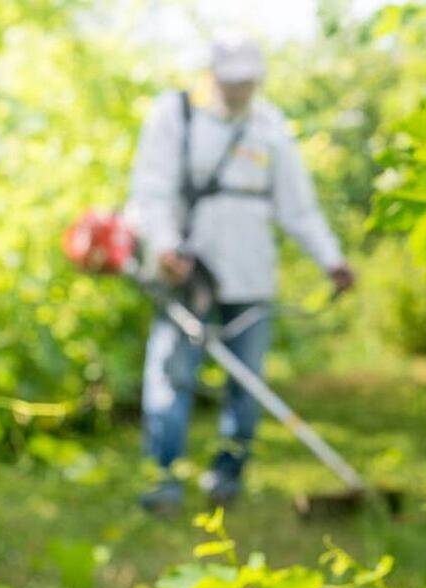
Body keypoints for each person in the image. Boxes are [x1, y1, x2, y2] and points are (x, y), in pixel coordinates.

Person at [126, 35, 354, 512]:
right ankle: (162, 479)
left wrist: (331, 260)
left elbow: (298, 208)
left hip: (250, 275)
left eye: (247, 82)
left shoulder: (270, 127)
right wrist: (164, 246)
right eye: (231, 81)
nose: (239, 90)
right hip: (187, 273)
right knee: (172, 375)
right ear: (212, 76)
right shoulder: (175, 114)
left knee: (247, 383)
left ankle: (226, 479)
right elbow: (151, 190)